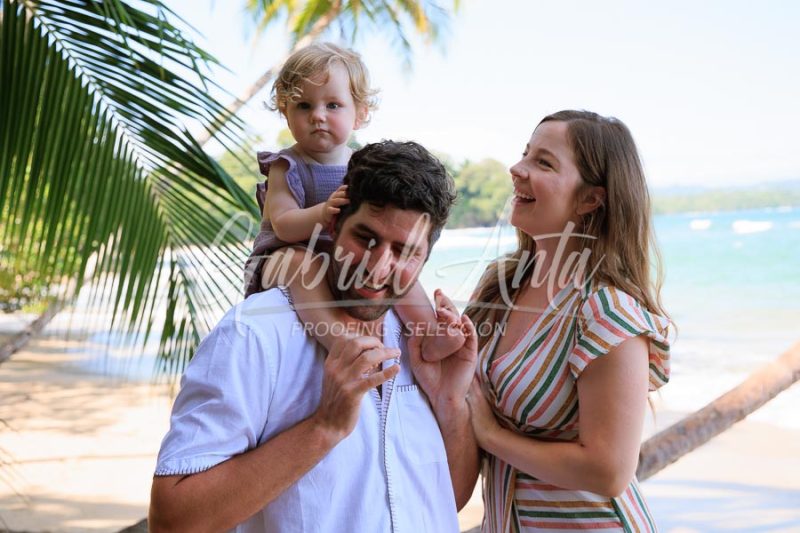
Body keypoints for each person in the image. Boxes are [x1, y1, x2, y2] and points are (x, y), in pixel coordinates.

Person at [149, 141, 481, 533]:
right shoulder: (254, 334)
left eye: (405, 252)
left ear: (425, 257)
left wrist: (449, 400)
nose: (378, 266)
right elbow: (173, 520)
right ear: (334, 223)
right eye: (365, 238)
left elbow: (446, 497)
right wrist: (324, 427)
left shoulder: (421, 342)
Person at [463, 110, 671, 532]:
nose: (516, 169)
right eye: (525, 155)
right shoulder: (501, 287)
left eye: (543, 162)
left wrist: (490, 435)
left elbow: (608, 471)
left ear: (590, 198)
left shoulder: (606, 312)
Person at [243, 42, 464, 362]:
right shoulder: (286, 165)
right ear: (285, 113)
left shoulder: (362, 165)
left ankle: (430, 334)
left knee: (398, 272)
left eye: (333, 105)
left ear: (359, 114)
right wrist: (321, 214)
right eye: (304, 106)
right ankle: (338, 339)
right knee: (302, 263)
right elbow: (282, 224)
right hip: (283, 257)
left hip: (340, 258)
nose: (318, 116)